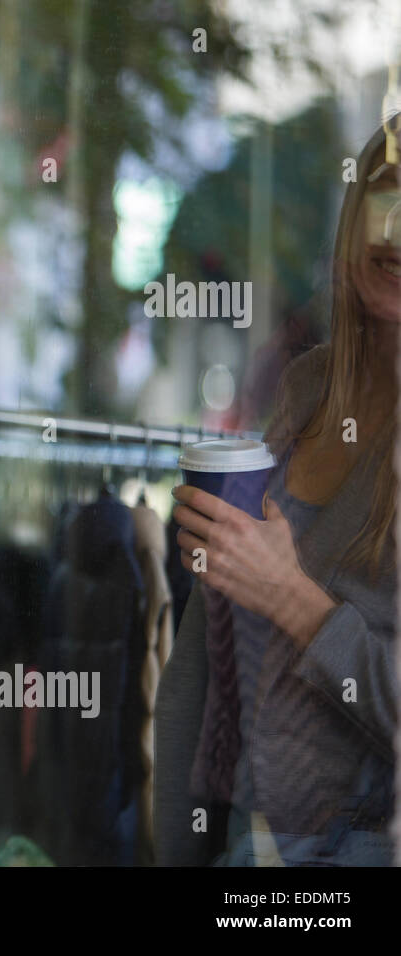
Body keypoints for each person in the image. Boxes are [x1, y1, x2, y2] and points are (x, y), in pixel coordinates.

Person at [157, 123, 400, 865]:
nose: (393, 237)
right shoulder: (307, 388)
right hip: (239, 840)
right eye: (385, 203)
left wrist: (290, 596)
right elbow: (203, 653)